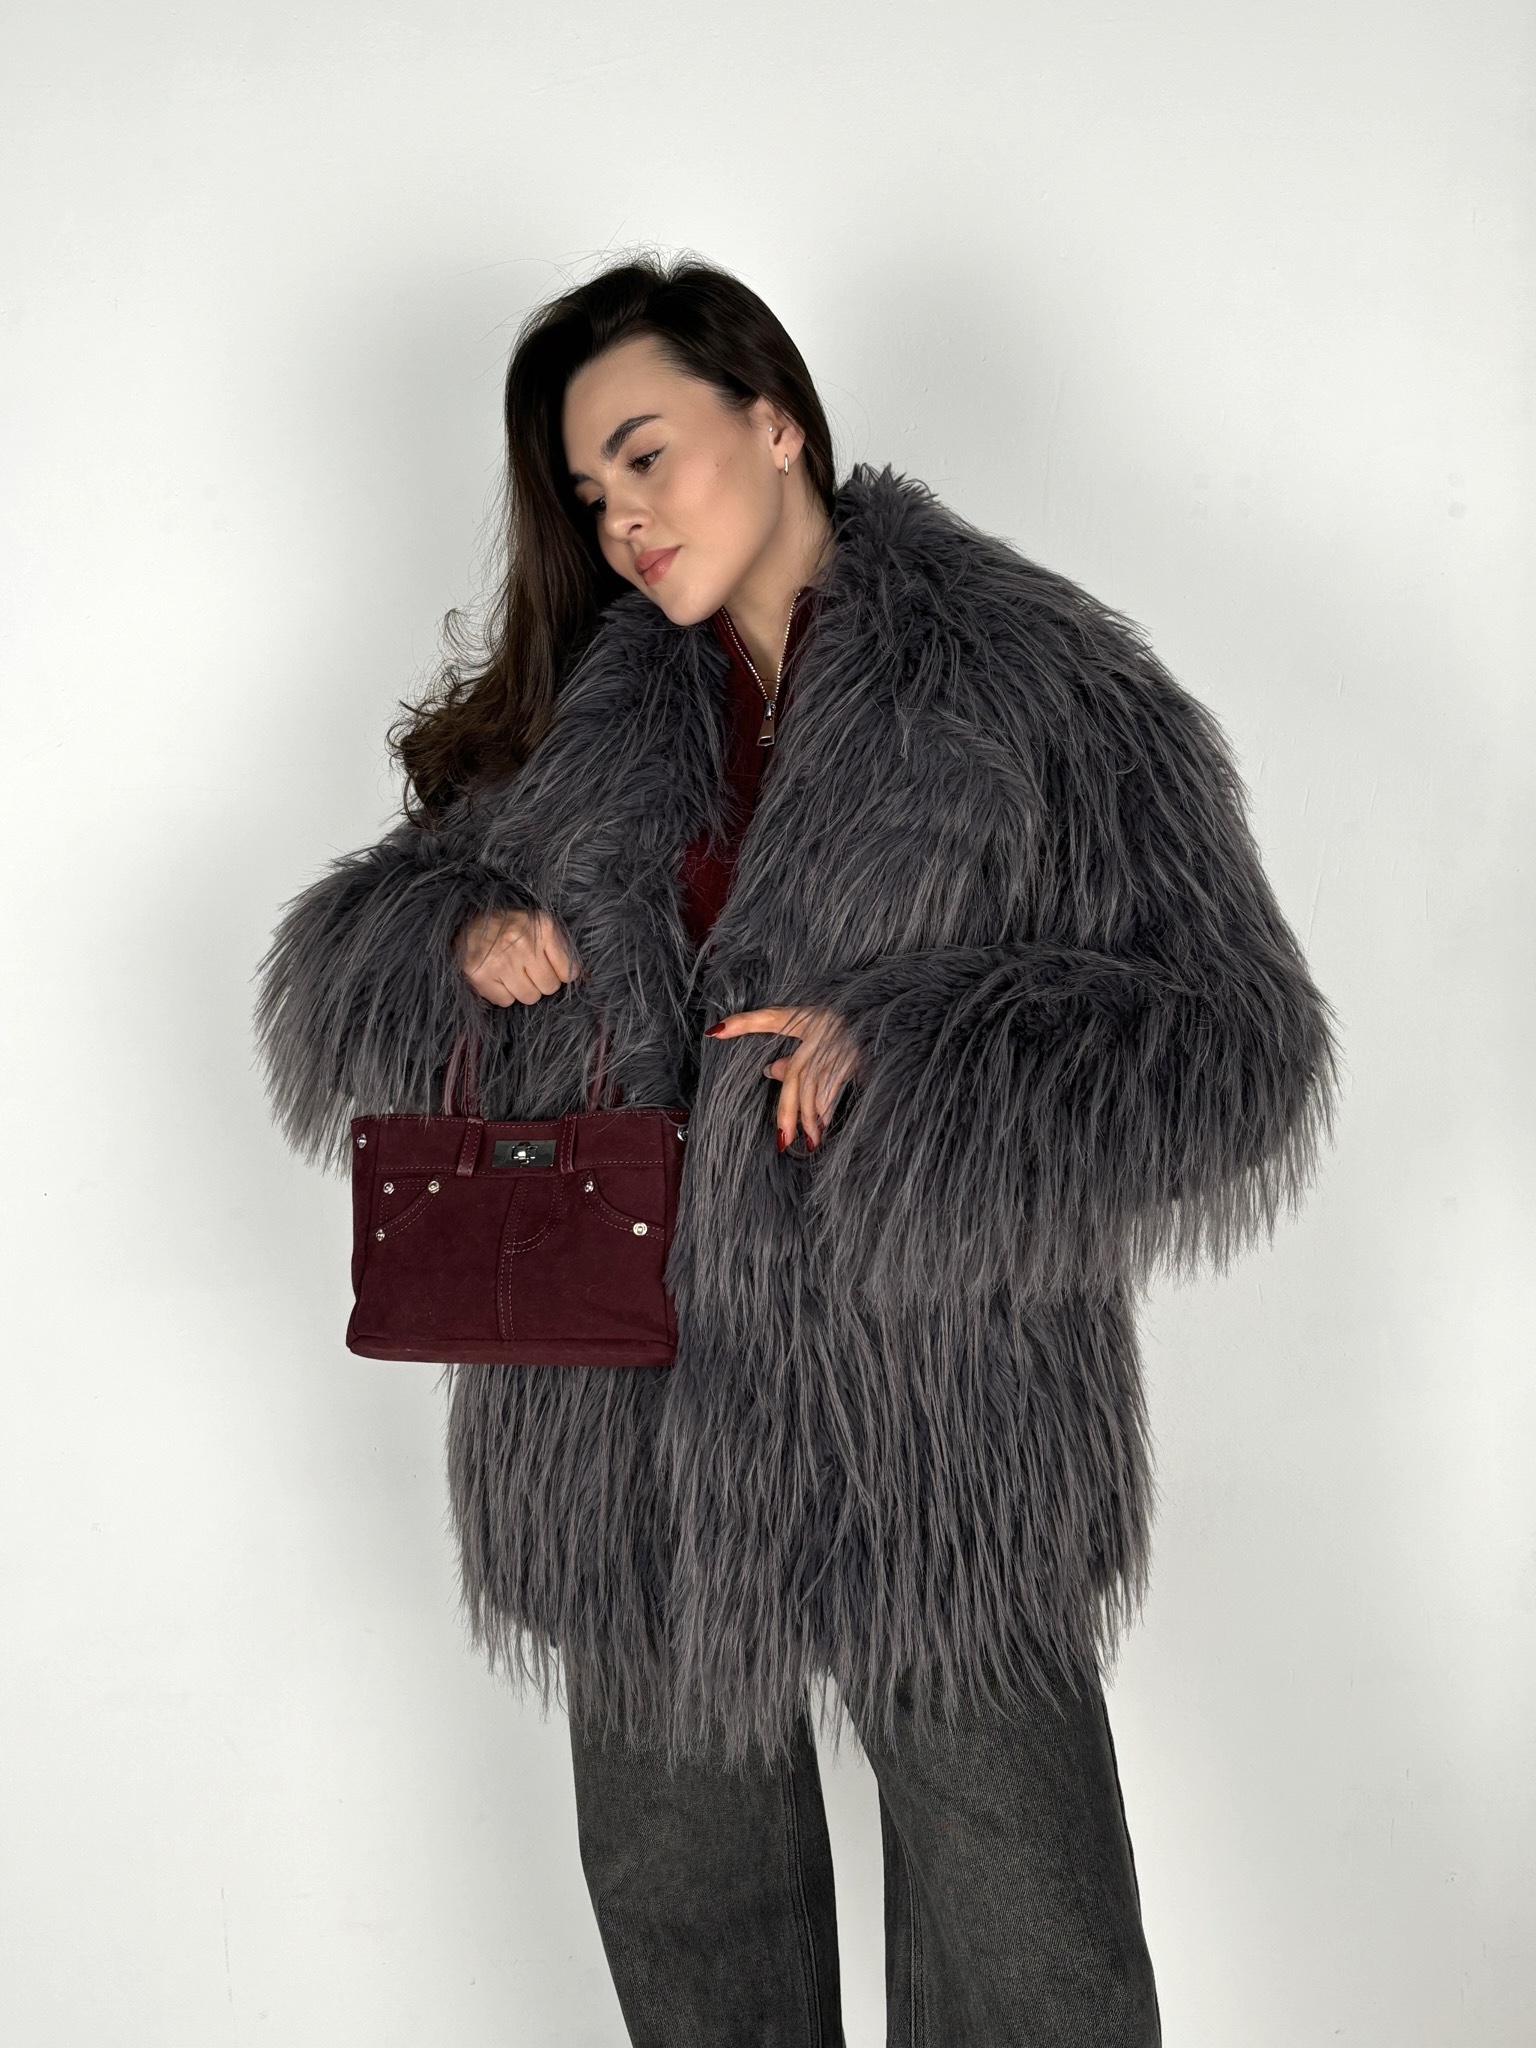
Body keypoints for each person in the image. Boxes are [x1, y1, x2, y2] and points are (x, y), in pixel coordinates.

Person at [256, 253, 1336, 2046]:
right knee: (695, 1947)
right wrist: (454, 934)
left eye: (646, 454)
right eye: (588, 491)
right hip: (620, 1427)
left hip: (935, 1424)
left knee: (1039, 1970)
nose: (620, 518)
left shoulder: (1035, 686)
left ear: (775, 422)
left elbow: (1239, 1037)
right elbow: (343, 961)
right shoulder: (579, 717)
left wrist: (921, 1049)